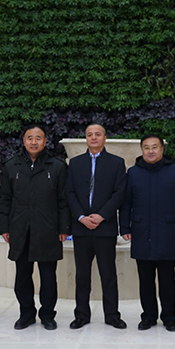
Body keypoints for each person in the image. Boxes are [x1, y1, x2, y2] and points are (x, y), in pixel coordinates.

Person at [0, 124, 70, 331]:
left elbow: (63, 200)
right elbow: (5, 199)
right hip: (20, 230)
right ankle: (26, 314)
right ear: (24, 141)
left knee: (48, 277)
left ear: (45, 141)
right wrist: (5, 226)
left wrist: (64, 227)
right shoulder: (12, 166)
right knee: (22, 276)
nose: (34, 142)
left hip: (48, 228)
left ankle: (48, 314)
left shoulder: (56, 167)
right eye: (30, 138)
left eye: (38, 138)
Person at [120, 134, 175, 332]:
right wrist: (124, 227)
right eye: (146, 147)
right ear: (142, 150)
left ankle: (169, 317)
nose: (150, 151)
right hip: (141, 231)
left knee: (167, 279)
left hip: (167, 232)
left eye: (155, 147)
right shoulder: (133, 173)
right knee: (145, 279)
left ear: (162, 149)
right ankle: (148, 316)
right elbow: (126, 203)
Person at [66, 124, 127, 330]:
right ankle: (81, 315)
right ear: (85, 138)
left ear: (105, 138)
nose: (93, 138)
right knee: (82, 275)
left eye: (97, 134)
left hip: (105, 227)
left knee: (108, 274)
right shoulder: (74, 163)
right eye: (89, 135)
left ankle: (112, 315)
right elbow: (70, 193)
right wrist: (82, 217)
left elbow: (119, 193)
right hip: (81, 228)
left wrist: (101, 216)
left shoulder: (117, 163)